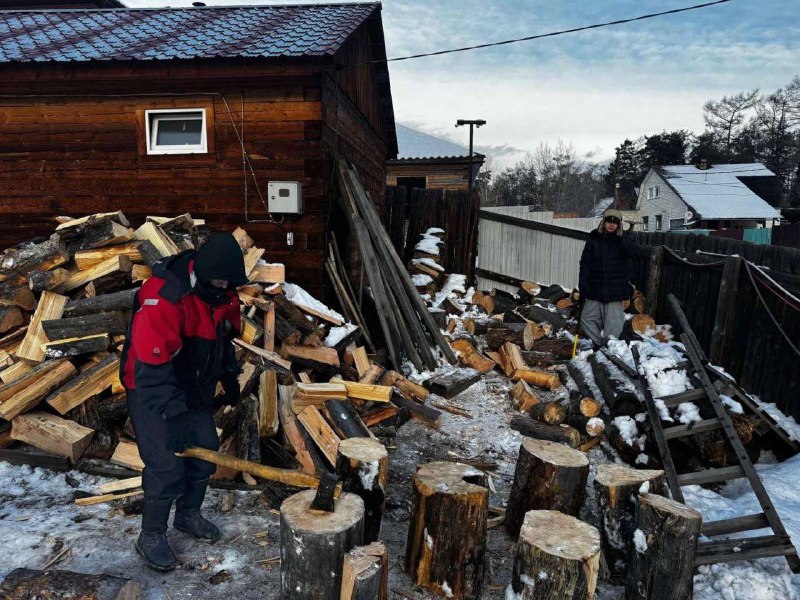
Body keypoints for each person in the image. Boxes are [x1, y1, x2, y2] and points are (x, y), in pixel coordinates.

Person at [120, 232, 247, 572]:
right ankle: (151, 535)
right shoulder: (164, 298)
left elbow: (224, 337)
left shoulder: (222, 293)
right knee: (165, 464)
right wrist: (172, 415)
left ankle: (188, 515)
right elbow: (150, 369)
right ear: (204, 273)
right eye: (220, 281)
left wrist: (229, 374)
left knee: (206, 450)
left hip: (193, 386)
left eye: (229, 283)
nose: (225, 288)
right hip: (151, 385)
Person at [577, 208, 635, 348]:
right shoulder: (593, 239)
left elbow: (634, 253)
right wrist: (583, 284)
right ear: (604, 222)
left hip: (615, 290)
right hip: (594, 288)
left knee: (613, 326)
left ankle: (609, 349)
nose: (611, 225)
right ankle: (599, 344)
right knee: (586, 319)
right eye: (609, 221)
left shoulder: (622, 241)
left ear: (618, 225)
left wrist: (623, 240)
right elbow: (585, 264)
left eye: (615, 223)